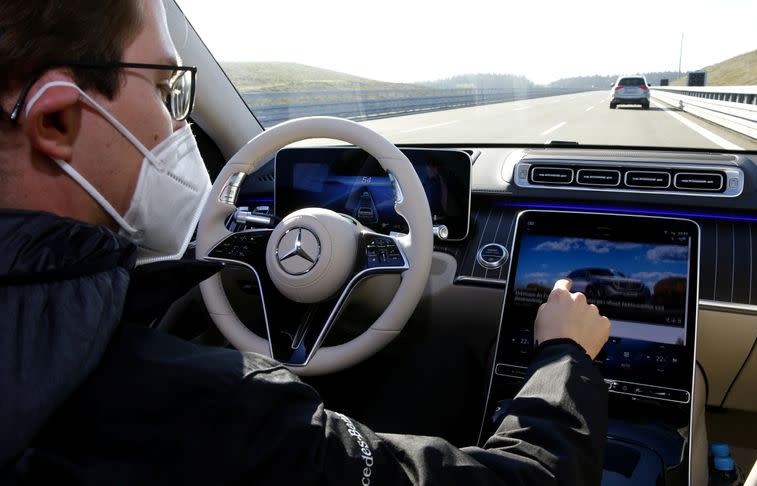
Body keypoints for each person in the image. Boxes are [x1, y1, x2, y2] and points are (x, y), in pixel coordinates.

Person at [0, 0, 611, 484]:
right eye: (166, 91)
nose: (180, 122)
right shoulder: (223, 413)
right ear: (58, 120)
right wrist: (565, 357)